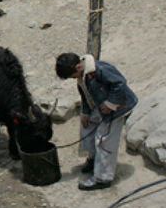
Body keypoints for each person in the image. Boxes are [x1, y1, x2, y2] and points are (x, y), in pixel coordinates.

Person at [55, 52, 138, 191]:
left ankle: (103, 178)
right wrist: (86, 113)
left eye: (72, 76)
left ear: (78, 66)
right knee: (87, 126)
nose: (73, 79)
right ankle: (93, 158)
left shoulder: (100, 70)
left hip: (117, 108)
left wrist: (111, 103)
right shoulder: (83, 76)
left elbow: (120, 84)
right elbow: (85, 94)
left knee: (104, 140)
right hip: (100, 106)